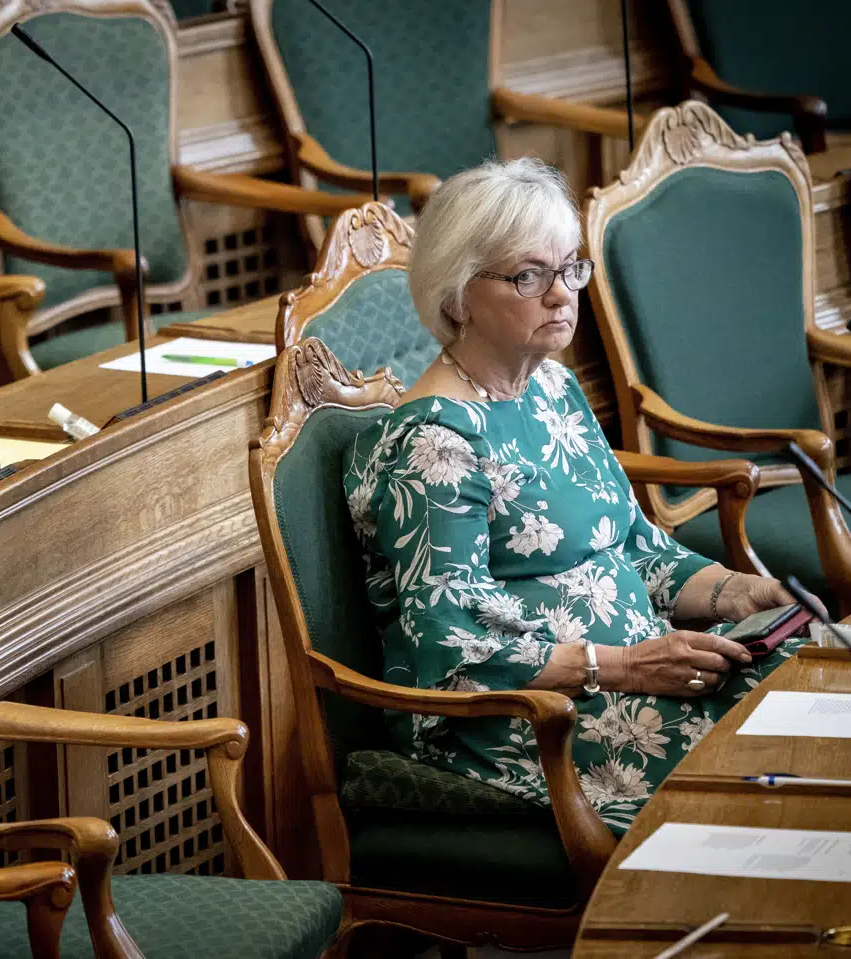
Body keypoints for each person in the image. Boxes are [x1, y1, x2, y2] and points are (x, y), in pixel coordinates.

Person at [343, 156, 806, 833]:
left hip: (642, 670)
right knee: (755, 773)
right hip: (523, 722)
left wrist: (739, 591)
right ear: (458, 295)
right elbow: (457, 651)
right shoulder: (435, 442)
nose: (562, 294)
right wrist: (624, 666)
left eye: (570, 269)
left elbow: (636, 547)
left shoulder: (551, 386)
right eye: (530, 275)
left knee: (812, 677)